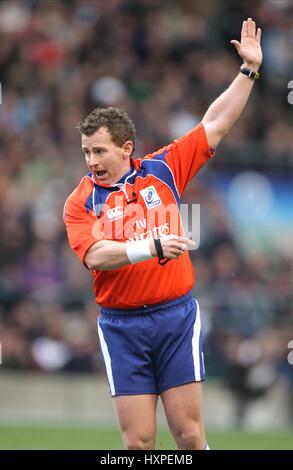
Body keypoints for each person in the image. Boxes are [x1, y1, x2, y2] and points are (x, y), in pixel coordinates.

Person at [63, 18, 262, 450]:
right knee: (138, 444)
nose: (91, 161)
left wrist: (247, 72)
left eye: (100, 151)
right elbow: (96, 256)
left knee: (189, 436)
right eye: (86, 152)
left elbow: (216, 123)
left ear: (126, 147)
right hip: (121, 325)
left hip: (175, 317)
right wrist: (150, 246)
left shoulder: (163, 170)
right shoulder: (80, 201)